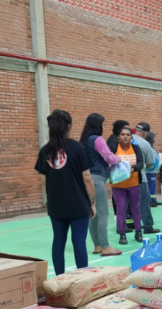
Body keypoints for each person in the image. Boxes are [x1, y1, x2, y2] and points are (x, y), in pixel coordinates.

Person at [35, 110, 96, 277]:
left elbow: (42, 180)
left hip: (56, 205)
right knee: (79, 241)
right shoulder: (78, 148)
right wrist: (92, 202)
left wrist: (47, 201)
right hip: (78, 203)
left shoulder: (45, 151)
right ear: (69, 127)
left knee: (58, 241)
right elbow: (87, 177)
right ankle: (82, 277)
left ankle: (59, 278)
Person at [80, 113, 122, 257]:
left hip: (87, 180)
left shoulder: (84, 142)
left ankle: (97, 245)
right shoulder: (97, 139)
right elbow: (109, 157)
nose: (104, 128)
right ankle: (105, 246)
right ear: (97, 125)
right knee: (103, 213)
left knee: (94, 214)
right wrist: (119, 158)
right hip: (97, 179)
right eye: (103, 125)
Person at [109, 126, 145, 244]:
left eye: (127, 134)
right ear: (118, 136)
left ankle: (138, 232)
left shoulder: (135, 147)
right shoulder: (114, 147)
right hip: (118, 185)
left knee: (136, 209)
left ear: (131, 137)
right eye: (122, 134)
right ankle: (122, 234)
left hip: (133, 183)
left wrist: (132, 169)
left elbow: (141, 163)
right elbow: (108, 161)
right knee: (121, 210)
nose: (125, 136)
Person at [133, 123, 160, 234]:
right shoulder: (144, 143)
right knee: (144, 201)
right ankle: (148, 226)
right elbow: (150, 163)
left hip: (124, 177)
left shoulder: (124, 140)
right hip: (140, 177)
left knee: (125, 203)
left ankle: (126, 226)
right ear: (145, 133)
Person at [136, 122, 162, 210]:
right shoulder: (145, 144)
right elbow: (149, 161)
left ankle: (152, 199)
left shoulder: (146, 144)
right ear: (145, 133)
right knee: (146, 189)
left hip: (148, 171)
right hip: (146, 172)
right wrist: (149, 166)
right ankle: (150, 201)